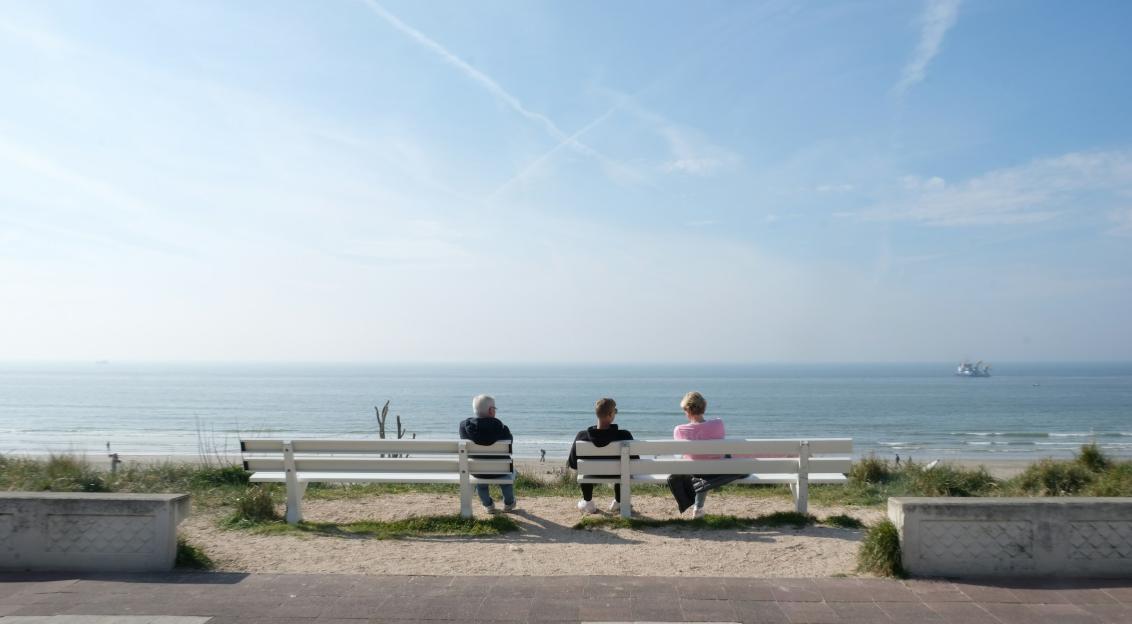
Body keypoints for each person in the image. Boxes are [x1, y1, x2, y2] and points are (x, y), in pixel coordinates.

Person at [568, 397, 633, 514]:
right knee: (624, 468)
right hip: (618, 473)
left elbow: (573, 463)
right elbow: (634, 461)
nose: (616, 413)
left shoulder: (582, 436)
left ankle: (588, 502)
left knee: (584, 469)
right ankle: (619, 501)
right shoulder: (624, 435)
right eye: (615, 411)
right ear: (610, 415)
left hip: (592, 473)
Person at [458, 394, 516, 514]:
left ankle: (488, 505)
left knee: (481, 482)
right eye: (494, 408)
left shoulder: (464, 427)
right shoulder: (501, 428)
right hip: (500, 470)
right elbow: (510, 442)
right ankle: (509, 503)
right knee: (507, 476)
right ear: (490, 411)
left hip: (477, 471)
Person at [673, 391, 725, 518]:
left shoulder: (679, 430)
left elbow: (678, 454)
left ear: (687, 410)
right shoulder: (718, 424)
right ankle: (698, 507)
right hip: (716, 470)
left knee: (698, 467)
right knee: (719, 461)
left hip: (693, 471)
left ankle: (698, 507)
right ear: (704, 406)